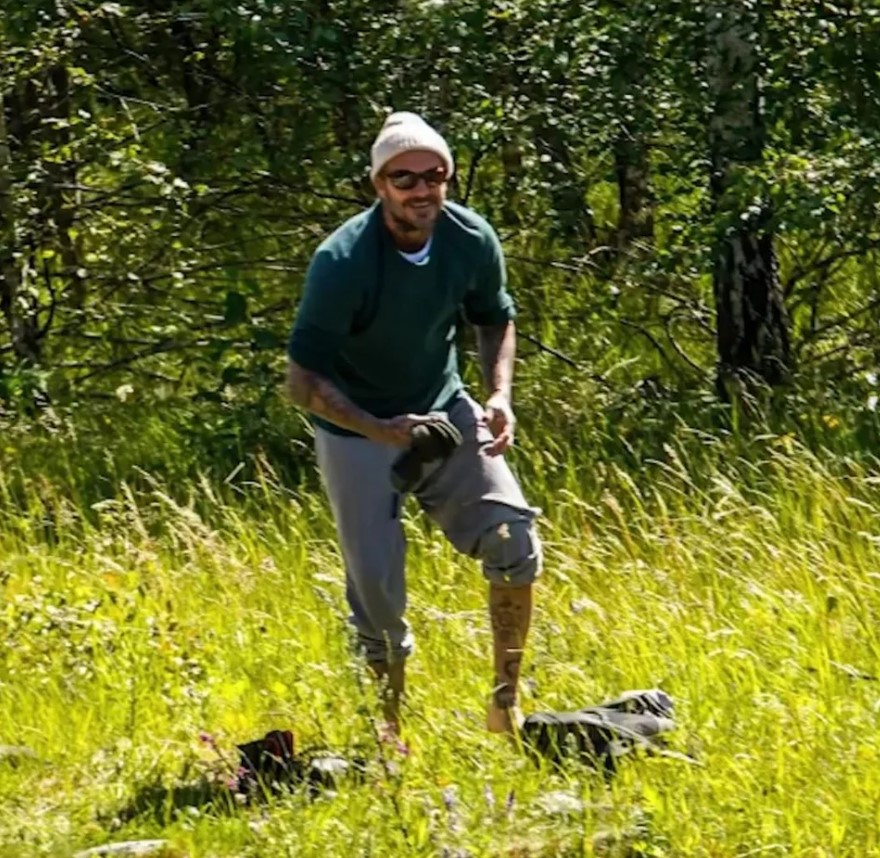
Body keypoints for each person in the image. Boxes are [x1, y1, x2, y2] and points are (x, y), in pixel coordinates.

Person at [285, 111, 543, 737]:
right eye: (405, 178)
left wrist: (499, 394)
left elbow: (494, 316)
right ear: (379, 184)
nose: (422, 189)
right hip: (357, 430)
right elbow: (302, 382)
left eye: (435, 175)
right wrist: (379, 428)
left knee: (514, 542)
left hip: (444, 409)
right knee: (376, 597)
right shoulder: (342, 260)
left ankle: (505, 703)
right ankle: (388, 731)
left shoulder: (471, 238)